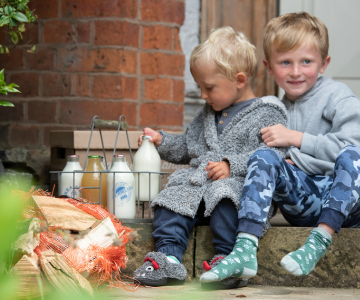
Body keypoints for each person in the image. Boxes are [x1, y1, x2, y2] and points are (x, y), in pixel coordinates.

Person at [200, 12, 360, 284]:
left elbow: (352, 144)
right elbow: (267, 165)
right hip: (305, 202)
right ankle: (244, 250)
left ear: (324, 64)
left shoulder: (337, 95)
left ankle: (318, 242)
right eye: (285, 62)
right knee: (263, 155)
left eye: (306, 61)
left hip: (349, 203)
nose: (296, 71)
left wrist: (296, 140)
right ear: (269, 67)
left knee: (353, 155)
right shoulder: (271, 109)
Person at [133, 26, 287, 288]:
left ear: (239, 80)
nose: (203, 95)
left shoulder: (267, 113)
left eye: (209, 87)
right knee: (172, 196)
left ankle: (228, 258)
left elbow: (274, 155)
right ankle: (169, 256)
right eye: (200, 87)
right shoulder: (208, 113)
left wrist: (232, 165)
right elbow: (187, 146)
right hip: (198, 189)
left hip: (236, 189)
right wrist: (162, 141)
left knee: (228, 196)